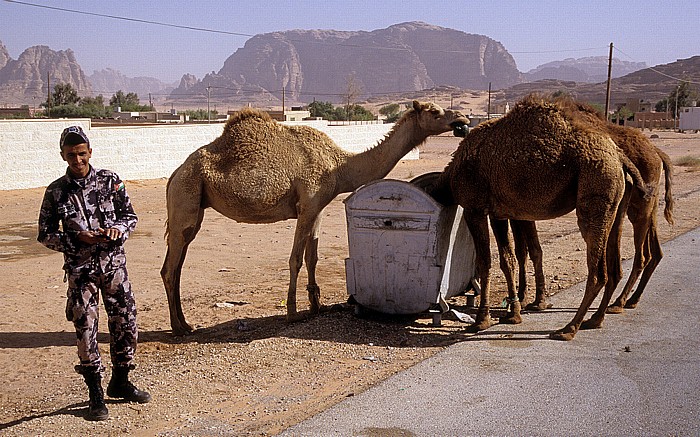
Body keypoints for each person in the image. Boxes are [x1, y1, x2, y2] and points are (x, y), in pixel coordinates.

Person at [38, 125, 150, 421]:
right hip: (80, 271)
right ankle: (95, 393)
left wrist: (118, 230)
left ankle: (121, 381)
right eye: (71, 155)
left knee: (126, 323)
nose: (78, 160)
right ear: (63, 155)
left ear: (90, 151)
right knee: (86, 329)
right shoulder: (55, 192)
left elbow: (130, 216)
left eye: (82, 153)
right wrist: (77, 239)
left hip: (114, 268)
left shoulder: (111, 181)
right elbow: (45, 234)